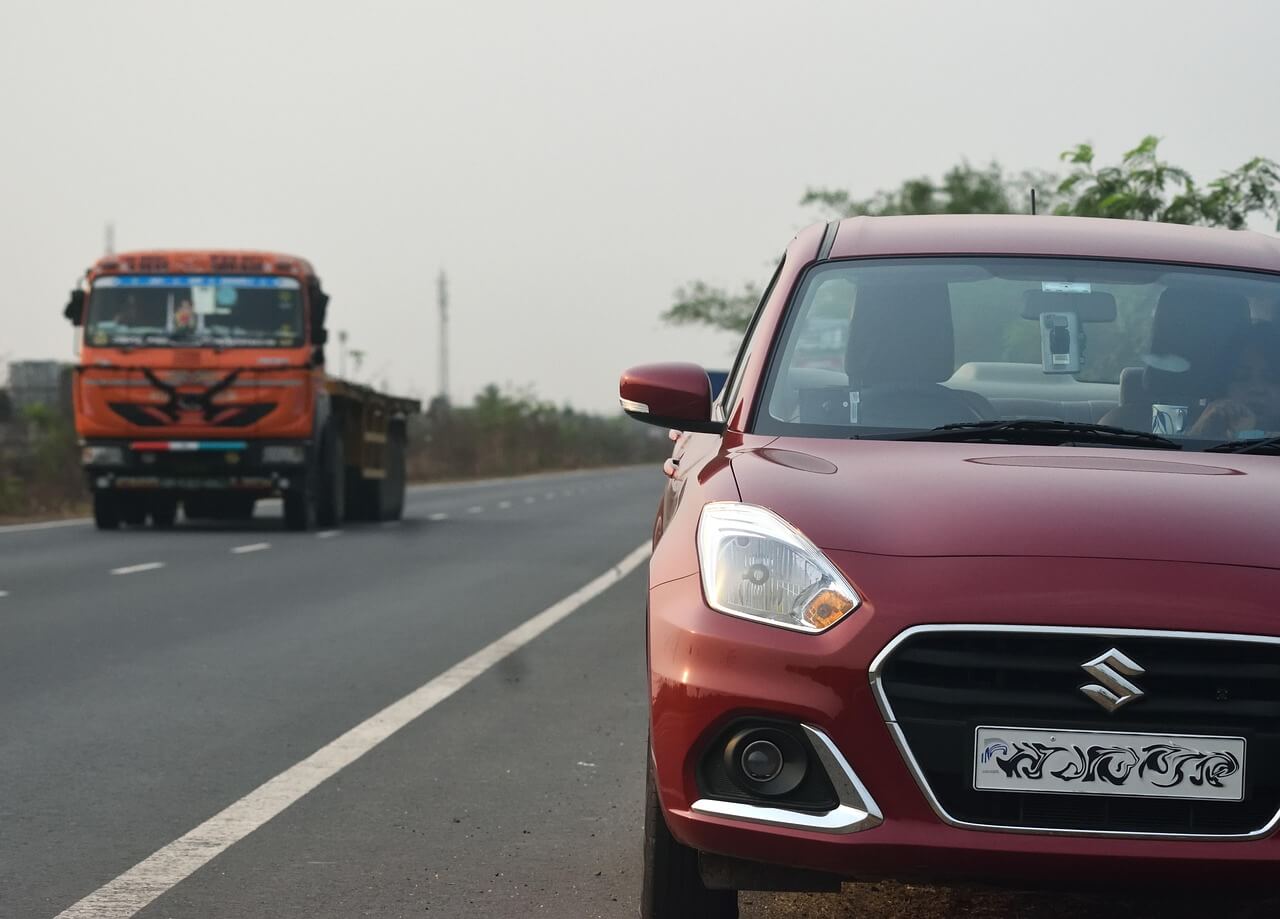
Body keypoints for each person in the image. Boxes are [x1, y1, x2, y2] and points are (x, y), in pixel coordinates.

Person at [1188, 321, 1280, 440]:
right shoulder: (1177, 437)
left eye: (1271, 379)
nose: (1257, 389)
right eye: (1242, 377)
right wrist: (1198, 434)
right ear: (1223, 386)